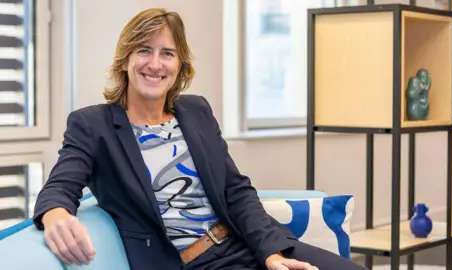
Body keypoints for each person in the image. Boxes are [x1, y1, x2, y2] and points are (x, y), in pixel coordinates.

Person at [33, 8, 367, 270]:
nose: (155, 63)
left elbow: (236, 191)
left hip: (247, 244)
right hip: (194, 263)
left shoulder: (195, 111)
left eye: (167, 53)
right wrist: (56, 215)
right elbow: (60, 186)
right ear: (125, 59)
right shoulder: (93, 124)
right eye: (143, 50)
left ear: (180, 65)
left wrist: (269, 252)